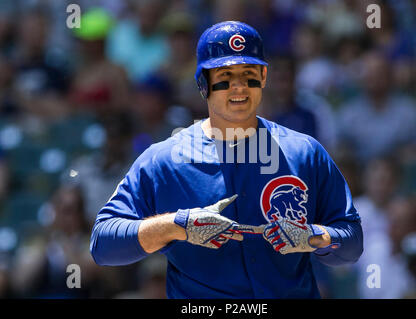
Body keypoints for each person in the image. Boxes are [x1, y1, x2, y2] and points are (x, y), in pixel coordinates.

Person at [90, 21, 363, 299]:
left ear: (264, 77)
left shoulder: (304, 152)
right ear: (202, 83)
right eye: (225, 75)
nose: (239, 87)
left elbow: (352, 242)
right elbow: (103, 244)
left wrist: (315, 237)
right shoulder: (163, 160)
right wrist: (176, 226)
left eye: (248, 74)